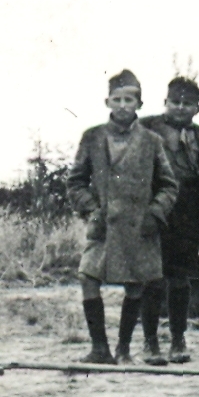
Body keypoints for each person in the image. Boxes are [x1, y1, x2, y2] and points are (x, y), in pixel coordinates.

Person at [67, 71, 179, 365]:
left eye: (129, 99)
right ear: (107, 102)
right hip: (103, 224)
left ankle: (124, 348)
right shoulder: (92, 137)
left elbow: (169, 184)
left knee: (136, 284)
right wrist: (92, 209)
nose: (122, 105)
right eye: (116, 99)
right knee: (87, 277)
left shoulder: (152, 141)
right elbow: (75, 181)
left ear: (139, 103)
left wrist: (156, 212)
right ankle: (99, 348)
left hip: (140, 226)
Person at [140, 75, 199, 363]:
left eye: (188, 104)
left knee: (180, 278)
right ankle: (150, 342)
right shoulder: (146, 127)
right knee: (152, 277)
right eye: (175, 102)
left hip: (188, 213)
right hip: (154, 209)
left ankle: (178, 340)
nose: (180, 108)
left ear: (197, 109)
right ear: (165, 102)